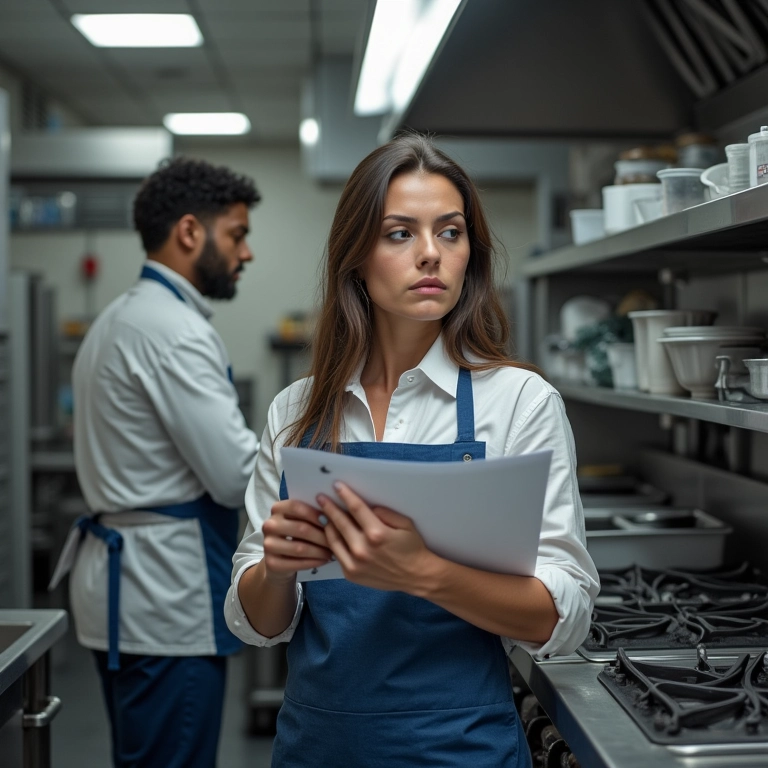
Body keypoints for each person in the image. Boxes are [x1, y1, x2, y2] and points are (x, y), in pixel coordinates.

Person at [224, 134, 599, 766]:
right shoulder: (295, 411)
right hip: (318, 746)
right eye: (400, 234)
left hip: (460, 745)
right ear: (356, 259)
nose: (431, 254)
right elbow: (260, 623)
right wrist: (279, 567)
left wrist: (422, 571)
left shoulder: (519, 402)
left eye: (450, 233)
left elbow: (563, 617)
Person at [51, 157, 261, 768]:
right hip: (167, 598)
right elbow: (232, 475)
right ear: (190, 232)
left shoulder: (119, 318)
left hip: (127, 592)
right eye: (238, 234)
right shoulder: (172, 329)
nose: (246, 254)